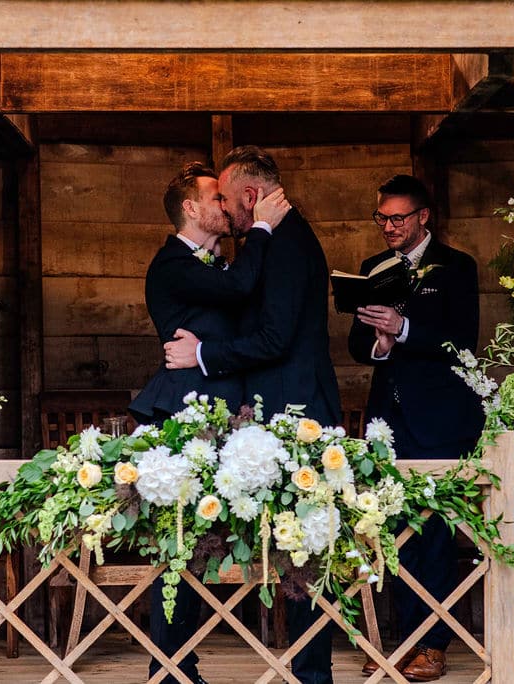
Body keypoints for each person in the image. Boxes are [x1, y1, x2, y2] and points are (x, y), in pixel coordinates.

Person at [163, 146, 341, 684]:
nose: (226, 211)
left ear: (248, 197)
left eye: (227, 199)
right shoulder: (274, 241)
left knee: (308, 547)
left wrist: (202, 355)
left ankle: (313, 674)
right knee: (296, 544)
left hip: (297, 410)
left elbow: (273, 337)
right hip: (278, 410)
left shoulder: (284, 242)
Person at [130, 160, 290, 684]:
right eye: (215, 199)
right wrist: (263, 226)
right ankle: (172, 668)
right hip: (184, 416)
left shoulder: (212, 262)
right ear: (191, 208)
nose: (226, 205)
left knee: (205, 545)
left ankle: (181, 663)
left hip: (225, 419)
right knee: (181, 545)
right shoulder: (172, 263)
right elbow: (241, 289)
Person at [349, 174, 484, 682]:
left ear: (423, 216)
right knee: (393, 533)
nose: (388, 226)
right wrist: (380, 342)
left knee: (435, 534)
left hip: (443, 419)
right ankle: (400, 640)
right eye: (381, 218)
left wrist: (401, 328)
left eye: (398, 218)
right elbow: (357, 347)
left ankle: (434, 643)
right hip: (389, 419)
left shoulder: (457, 267)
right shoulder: (371, 268)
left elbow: (460, 340)